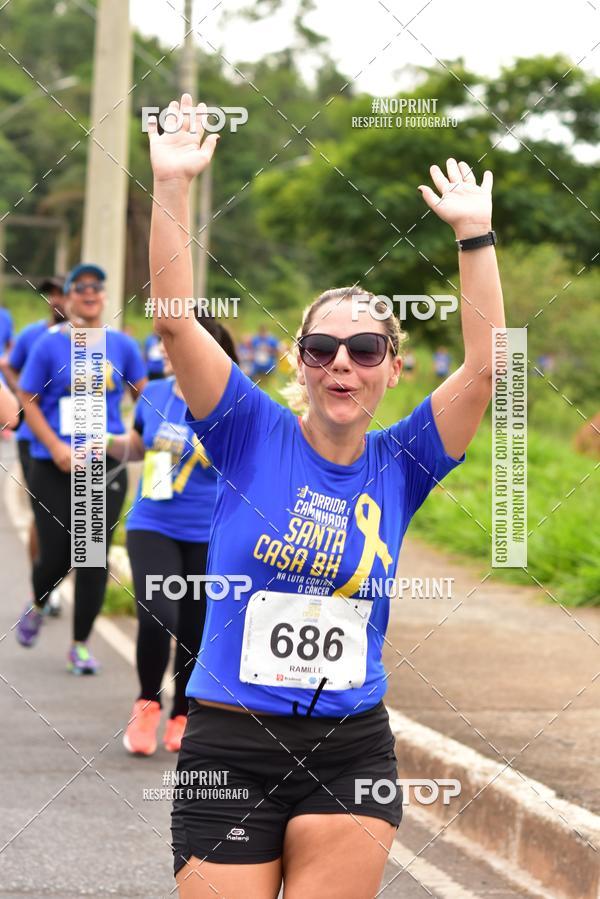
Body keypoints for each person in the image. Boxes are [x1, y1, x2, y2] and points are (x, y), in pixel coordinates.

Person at [148, 94, 504, 898]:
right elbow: (176, 325)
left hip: (350, 750)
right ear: (299, 363)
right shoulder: (248, 429)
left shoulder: (404, 460)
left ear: (393, 367)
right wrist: (172, 186)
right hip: (230, 745)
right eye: (321, 347)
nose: (343, 362)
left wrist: (474, 236)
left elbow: (487, 370)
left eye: (365, 347)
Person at [105, 320, 239, 756]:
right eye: (165, 342)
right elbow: (138, 445)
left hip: (208, 531)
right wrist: (104, 442)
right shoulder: (156, 393)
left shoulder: (231, 402)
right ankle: (147, 704)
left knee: (194, 628)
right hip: (153, 524)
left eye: (174, 342)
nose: (165, 349)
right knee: (157, 615)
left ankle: (183, 713)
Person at [15, 263, 147, 673]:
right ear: (68, 297)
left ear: (104, 297)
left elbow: (146, 396)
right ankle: (39, 601)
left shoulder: (122, 346)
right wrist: (55, 445)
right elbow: (27, 398)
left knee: (92, 555)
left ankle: (80, 645)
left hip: (103, 463)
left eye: (97, 287)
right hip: (54, 462)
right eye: (81, 287)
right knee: (56, 551)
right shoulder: (49, 345)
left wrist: (132, 438)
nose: (90, 293)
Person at [6, 276, 67, 576]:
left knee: (82, 521)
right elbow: (9, 364)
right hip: (34, 439)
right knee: (43, 515)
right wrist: (24, 394)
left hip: (83, 443)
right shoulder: (33, 335)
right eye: (50, 294)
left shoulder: (95, 340)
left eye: (60, 293)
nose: (55, 300)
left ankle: (65, 578)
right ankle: (42, 586)